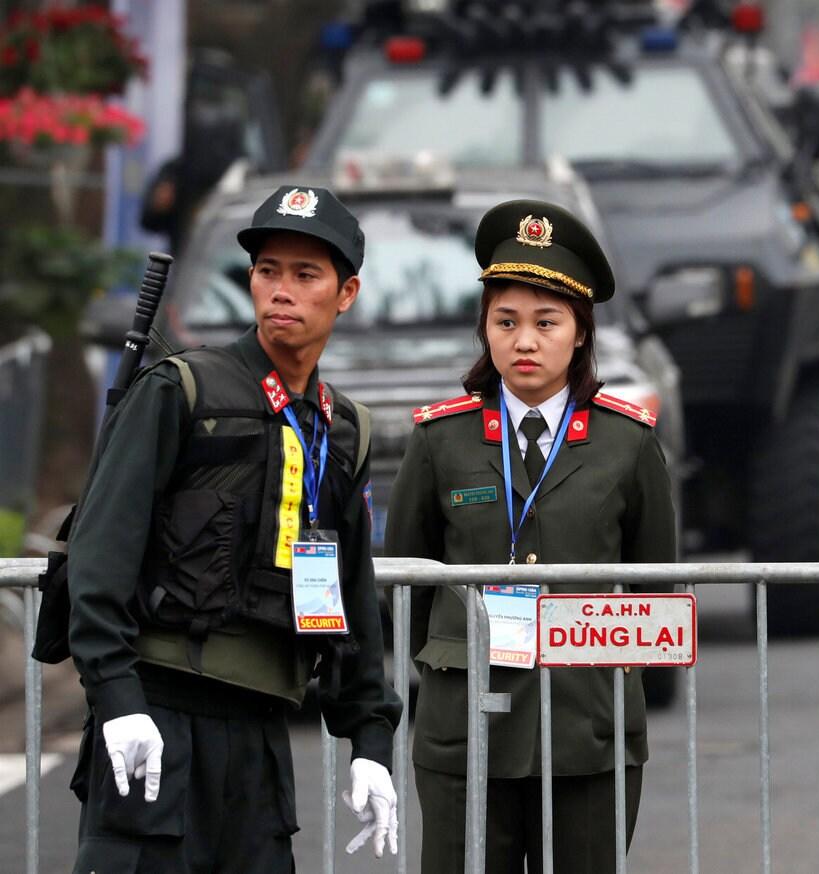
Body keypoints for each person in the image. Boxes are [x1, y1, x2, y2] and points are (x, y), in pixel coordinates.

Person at [66, 185, 403, 872]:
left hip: (260, 734)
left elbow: (352, 597)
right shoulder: (181, 390)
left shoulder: (342, 430)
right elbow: (99, 553)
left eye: (305, 275)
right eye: (267, 270)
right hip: (157, 717)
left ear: (346, 293)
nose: (281, 290)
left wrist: (371, 738)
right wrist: (117, 700)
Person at [386, 199, 677, 874]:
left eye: (547, 322)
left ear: (580, 332)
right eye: (506, 321)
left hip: (587, 729)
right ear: (484, 328)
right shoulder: (441, 439)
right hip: (466, 730)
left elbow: (655, 585)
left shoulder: (625, 442)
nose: (525, 341)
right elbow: (406, 584)